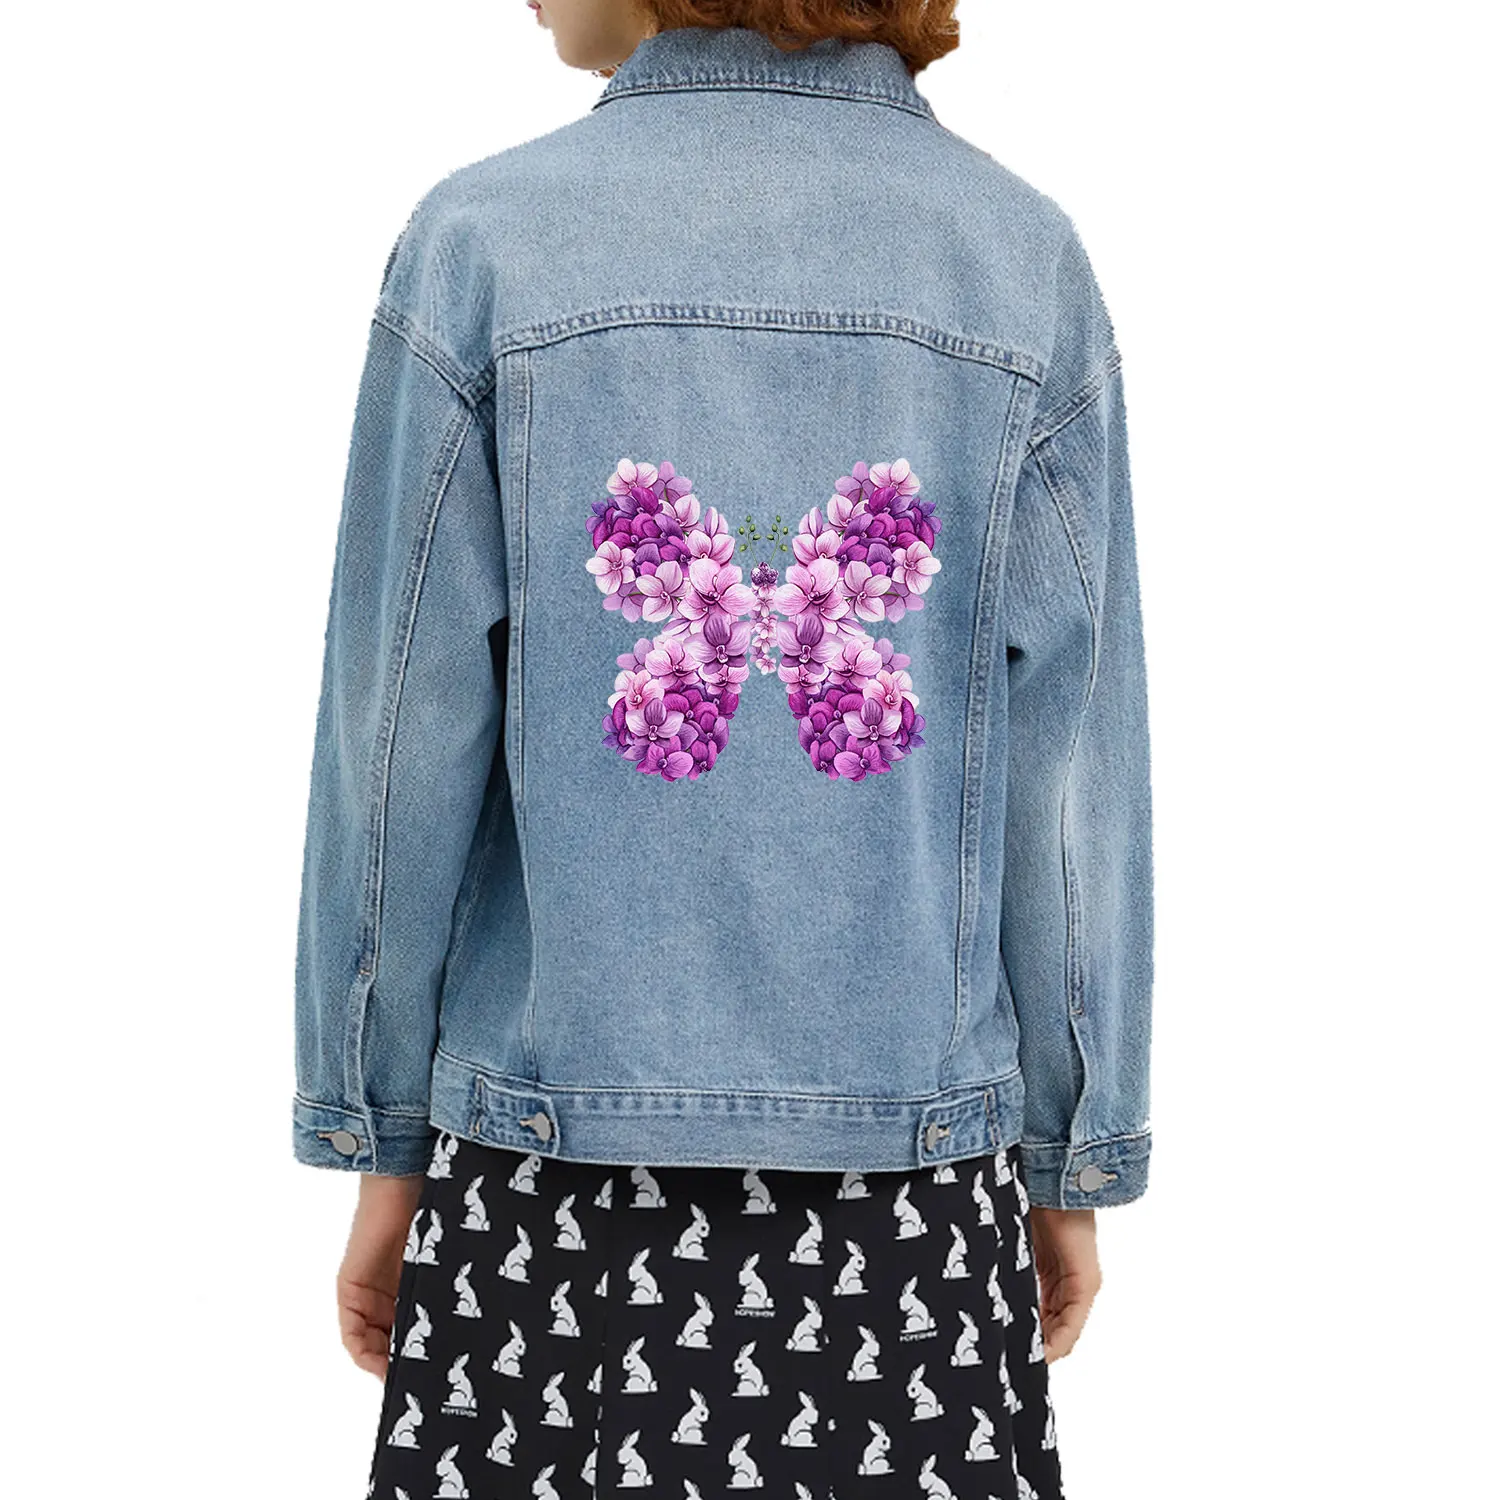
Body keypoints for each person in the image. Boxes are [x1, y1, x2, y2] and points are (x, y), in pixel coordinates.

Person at [292, 5, 1155, 1496]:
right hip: (915, 1203)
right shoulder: (1019, 263)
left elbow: (393, 748)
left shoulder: (481, 247)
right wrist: (1069, 1157)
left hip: (545, 1195)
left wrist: (384, 1140)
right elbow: (1069, 779)